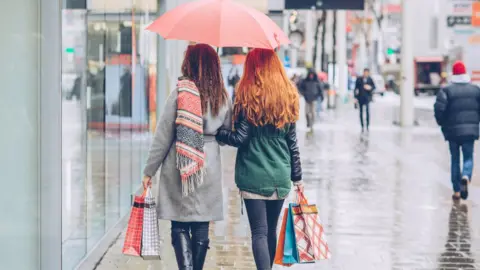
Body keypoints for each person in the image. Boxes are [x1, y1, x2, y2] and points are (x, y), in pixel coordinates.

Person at [142, 44, 231, 270]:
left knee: (180, 224)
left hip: (180, 164)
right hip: (208, 164)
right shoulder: (221, 95)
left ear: (188, 63)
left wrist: (148, 171)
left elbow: (163, 137)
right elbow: (226, 133)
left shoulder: (181, 94)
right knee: (201, 224)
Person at [216, 48, 303, 270]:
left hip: (253, 174)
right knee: (270, 230)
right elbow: (292, 143)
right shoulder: (288, 95)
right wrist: (297, 177)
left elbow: (240, 138)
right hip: (280, 175)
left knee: (259, 232)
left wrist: (219, 133)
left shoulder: (247, 95)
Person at [434, 61, 480, 201]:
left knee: (455, 159)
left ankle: (457, 191)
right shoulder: (476, 90)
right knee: (468, 157)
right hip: (470, 131)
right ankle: (466, 176)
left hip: (452, 131)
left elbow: (439, 109)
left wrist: (442, 124)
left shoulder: (446, 90)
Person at [354, 68, 376, 132]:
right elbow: (355, 89)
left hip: (367, 98)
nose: (365, 74)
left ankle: (367, 125)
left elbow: (374, 87)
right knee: (360, 112)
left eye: (367, 73)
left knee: (367, 112)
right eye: (365, 72)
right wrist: (355, 97)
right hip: (360, 98)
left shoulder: (370, 79)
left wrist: (370, 87)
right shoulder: (359, 79)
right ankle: (362, 126)